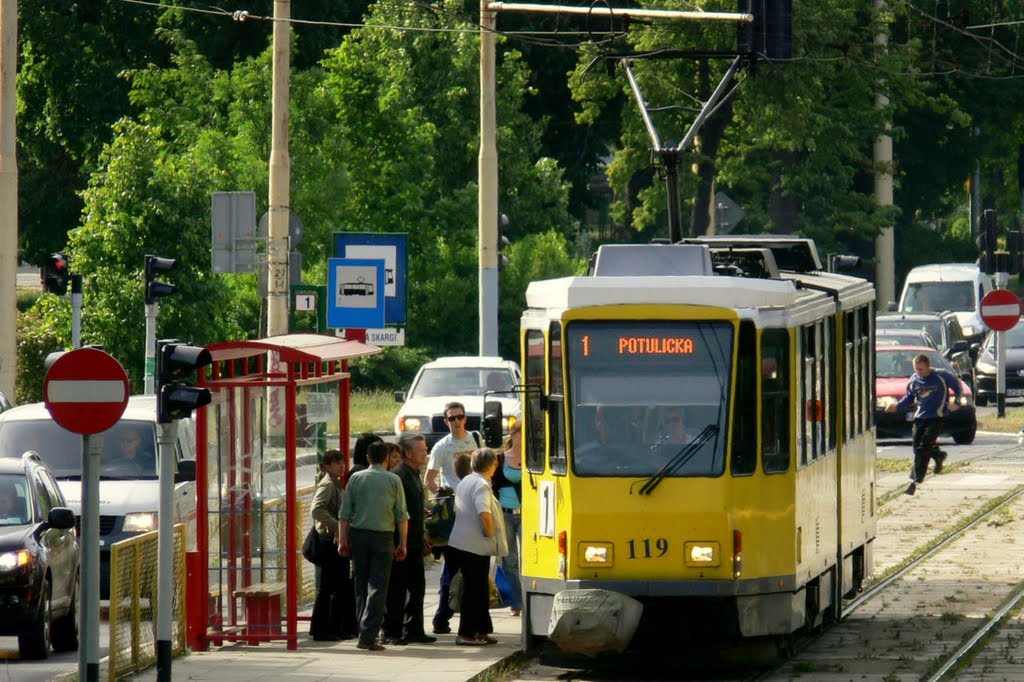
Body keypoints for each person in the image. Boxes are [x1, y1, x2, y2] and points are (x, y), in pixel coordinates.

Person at [337, 442, 409, 651]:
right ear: (386, 458)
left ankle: (364, 630)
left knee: (360, 586)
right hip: (383, 538)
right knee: (378, 586)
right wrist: (402, 543)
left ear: (368, 458)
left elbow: (344, 514)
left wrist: (343, 540)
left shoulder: (356, 479)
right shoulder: (394, 480)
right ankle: (368, 634)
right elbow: (402, 516)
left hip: (359, 537)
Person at [425, 402, 480, 635]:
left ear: (465, 419)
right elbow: (429, 479)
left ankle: (471, 620)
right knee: (452, 567)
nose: (456, 421)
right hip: (453, 513)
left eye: (460, 417)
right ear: (446, 421)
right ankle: (441, 617)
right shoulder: (441, 447)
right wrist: (443, 496)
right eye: (452, 418)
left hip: (473, 509)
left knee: (473, 568)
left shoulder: (475, 440)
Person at [447, 448, 507, 646]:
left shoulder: (466, 480)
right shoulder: (482, 485)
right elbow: (484, 513)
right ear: (491, 466)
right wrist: (489, 533)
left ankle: (482, 630)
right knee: (474, 590)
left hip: (460, 543)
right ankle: (466, 633)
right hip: (475, 546)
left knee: (479, 589)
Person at [381, 434, 437, 646]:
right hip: (400, 542)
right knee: (396, 589)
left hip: (413, 540)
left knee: (417, 587)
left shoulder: (414, 474)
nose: (425, 453)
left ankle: (414, 628)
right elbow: (395, 511)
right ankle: (391, 630)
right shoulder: (399, 477)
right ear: (408, 453)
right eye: (421, 450)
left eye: (425, 449)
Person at [886, 353, 962, 495]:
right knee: (917, 448)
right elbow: (909, 397)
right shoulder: (914, 380)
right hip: (920, 417)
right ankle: (938, 455)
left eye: (921, 369)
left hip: (937, 417)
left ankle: (915, 481)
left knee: (924, 447)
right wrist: (896, 406)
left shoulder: (941, 376)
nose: (918, 372)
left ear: (928, 367)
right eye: (916, 369)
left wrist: (956, 403)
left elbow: (958, 387)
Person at [308, 449, 357, 641]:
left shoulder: (336, 484)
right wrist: (336, 526)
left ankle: (333, 627)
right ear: (327, 466)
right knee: (329, 586)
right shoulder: (328, 485)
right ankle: (323, 629)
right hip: (328, 540)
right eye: (337, 463)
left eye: (343, 462)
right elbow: (316, 509)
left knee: (336, 585)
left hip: (334, 538)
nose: (342, 466)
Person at [491, 421, 522, 617]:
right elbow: (492, 487)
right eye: (520, 433)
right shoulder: (500, 459)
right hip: (505, 514)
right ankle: (517, 602)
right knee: (510, 560)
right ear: (512, 434)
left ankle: (528, 597)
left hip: (528, 514)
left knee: (528, 558)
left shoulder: (536, 459)